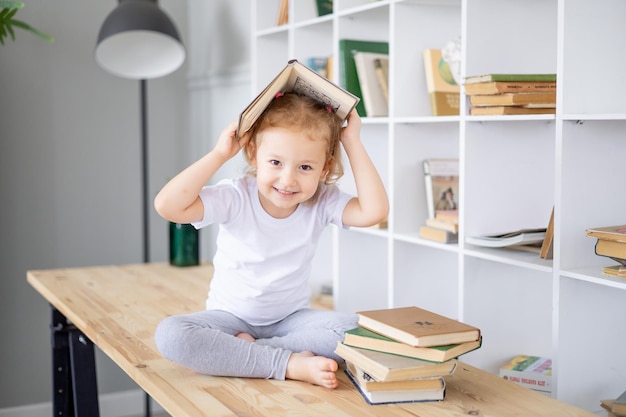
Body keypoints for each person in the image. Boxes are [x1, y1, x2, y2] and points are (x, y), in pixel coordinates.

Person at [153, 92, 388, 389]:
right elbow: (168, 206)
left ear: (324, 168)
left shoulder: (322, 200)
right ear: (253, 155)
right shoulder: (236, 195)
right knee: (171, 334)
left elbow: (374, 211)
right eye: (275, 162)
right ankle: (288, 364)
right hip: (229, 319)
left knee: (354, 330)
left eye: (305, 167)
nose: (287, 180)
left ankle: (247, 353)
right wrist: (219, 154)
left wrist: (351, 141)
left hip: (290, 321)